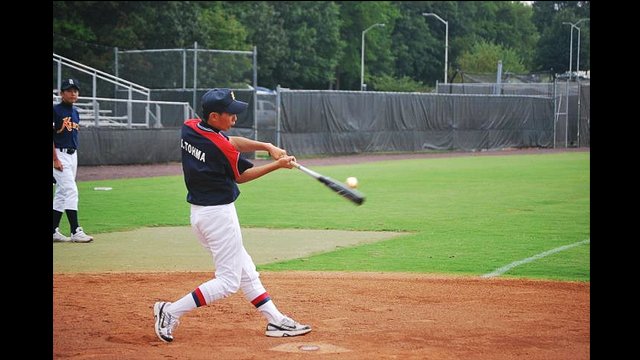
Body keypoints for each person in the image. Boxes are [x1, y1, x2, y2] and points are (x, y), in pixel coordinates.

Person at [153, 88, 311, 343]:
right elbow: (241, 176)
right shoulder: (217, 144)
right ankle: (170, 311)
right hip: (218, 216)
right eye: (230, 114)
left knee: (246, 271)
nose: (235, 118)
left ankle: (276, 320)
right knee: (227, 282)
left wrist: (267, 146)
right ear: (214, 116)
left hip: (202, 214)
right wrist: (277, 166)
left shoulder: (191, 127)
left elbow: (230, 141)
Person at [52, 78, 94, 243]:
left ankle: (53, 231)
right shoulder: (55, 110)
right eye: (69, 90)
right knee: (71, 191)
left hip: (72, 155)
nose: (73, 93)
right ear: (61, 93)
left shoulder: (75, 112)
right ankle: (75, 230)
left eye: (75, 90)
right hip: (59, 154)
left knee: (62, 193)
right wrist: (55, 159)